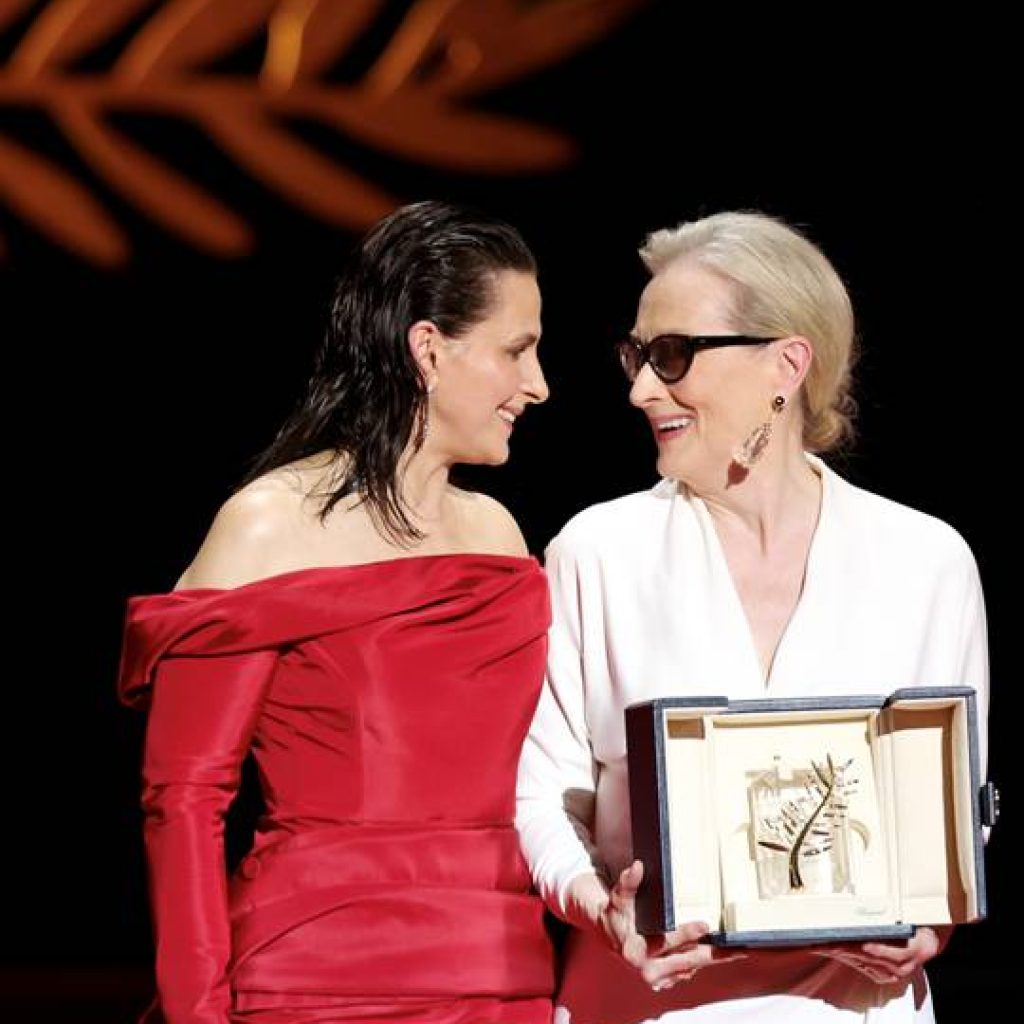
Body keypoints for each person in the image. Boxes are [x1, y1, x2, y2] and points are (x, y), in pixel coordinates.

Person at [516, 211, 989, 1022]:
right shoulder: (598, 552)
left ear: (787, 363)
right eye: (637, 356)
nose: (639, 389)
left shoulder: (926, 561)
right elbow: (541, 802)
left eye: (672, 356)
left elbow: (951, 814)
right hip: (645, 1010)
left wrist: (933, 922)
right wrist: (606, 909)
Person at [118, 199, 553, 1023]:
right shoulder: (269, 524)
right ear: (429, 349)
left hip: (499, 978)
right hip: (318, 982)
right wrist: (197, 1014)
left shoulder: (499, 538)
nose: (537, 384)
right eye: (516, 350)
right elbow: (183, 802)